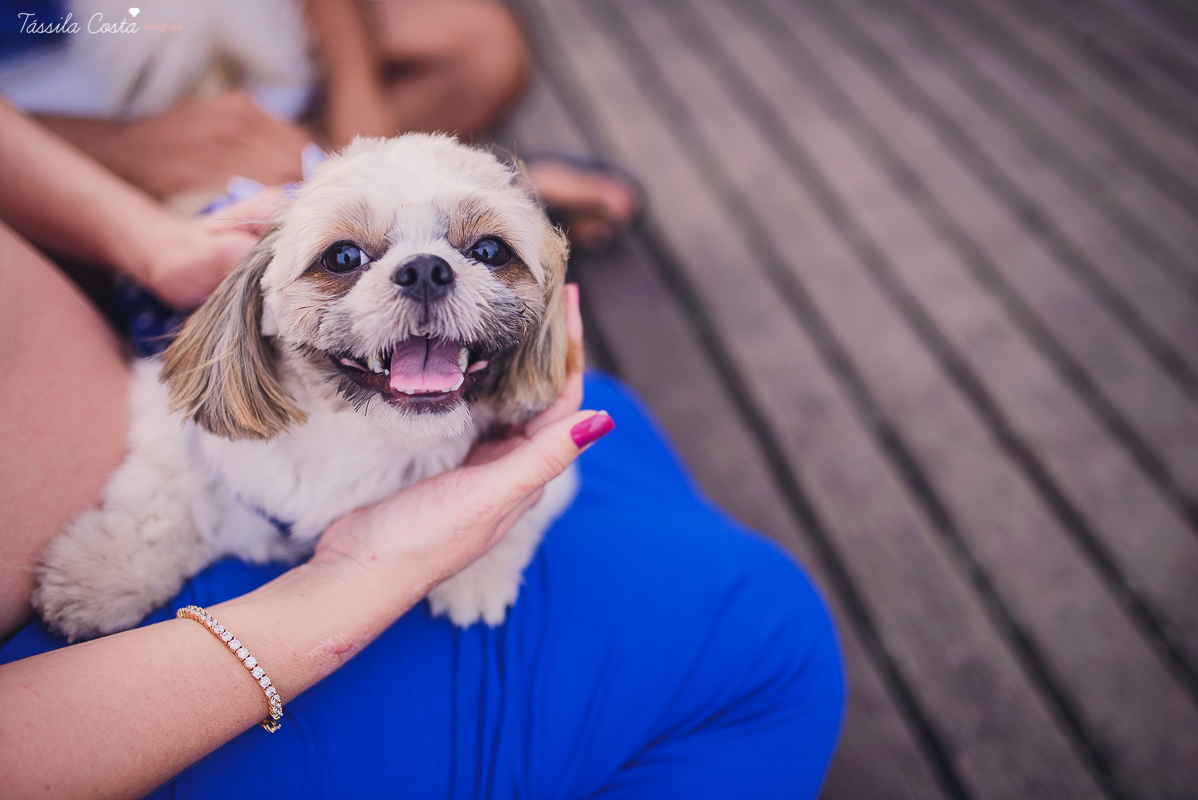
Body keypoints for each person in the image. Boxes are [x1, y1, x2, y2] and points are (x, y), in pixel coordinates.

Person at [0, 97, 845, 797]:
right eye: (342, 259)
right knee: (773, 640)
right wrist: (159, 535)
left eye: (482, 252)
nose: (424, 273)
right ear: (253, 307)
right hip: (154, 673)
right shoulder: (196, 417)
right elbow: (170, 413)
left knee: (614, 439)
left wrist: (153, 242)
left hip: (398, 492)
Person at [0, 0, 640, 250]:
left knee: (480, 49)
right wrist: (114, 149)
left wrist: (358, 110)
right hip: (40, 84)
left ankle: (360, 200)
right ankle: (456, 211)